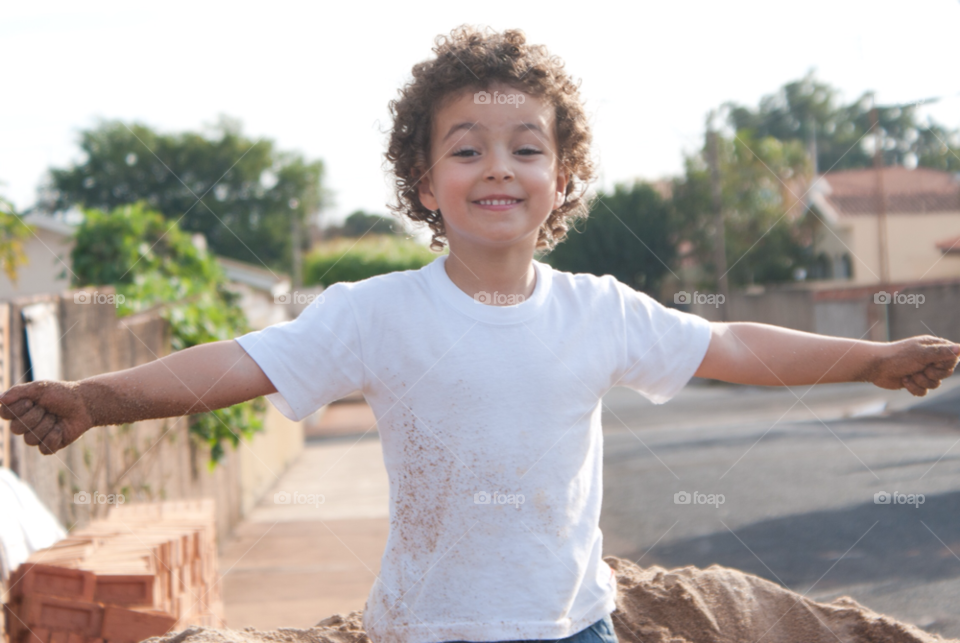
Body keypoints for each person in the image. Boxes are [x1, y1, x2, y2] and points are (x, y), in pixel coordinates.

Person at [2, 26, 957, 643]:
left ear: (562, 178)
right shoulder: (375, 311)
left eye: (526, 148)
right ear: (424, 182)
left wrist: (873, 357)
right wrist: (94, 398)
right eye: (467, 149)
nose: (498, 167)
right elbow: (241, 362)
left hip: (575, 629)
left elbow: (735, 347)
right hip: (420, 631)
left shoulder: (598, 307)